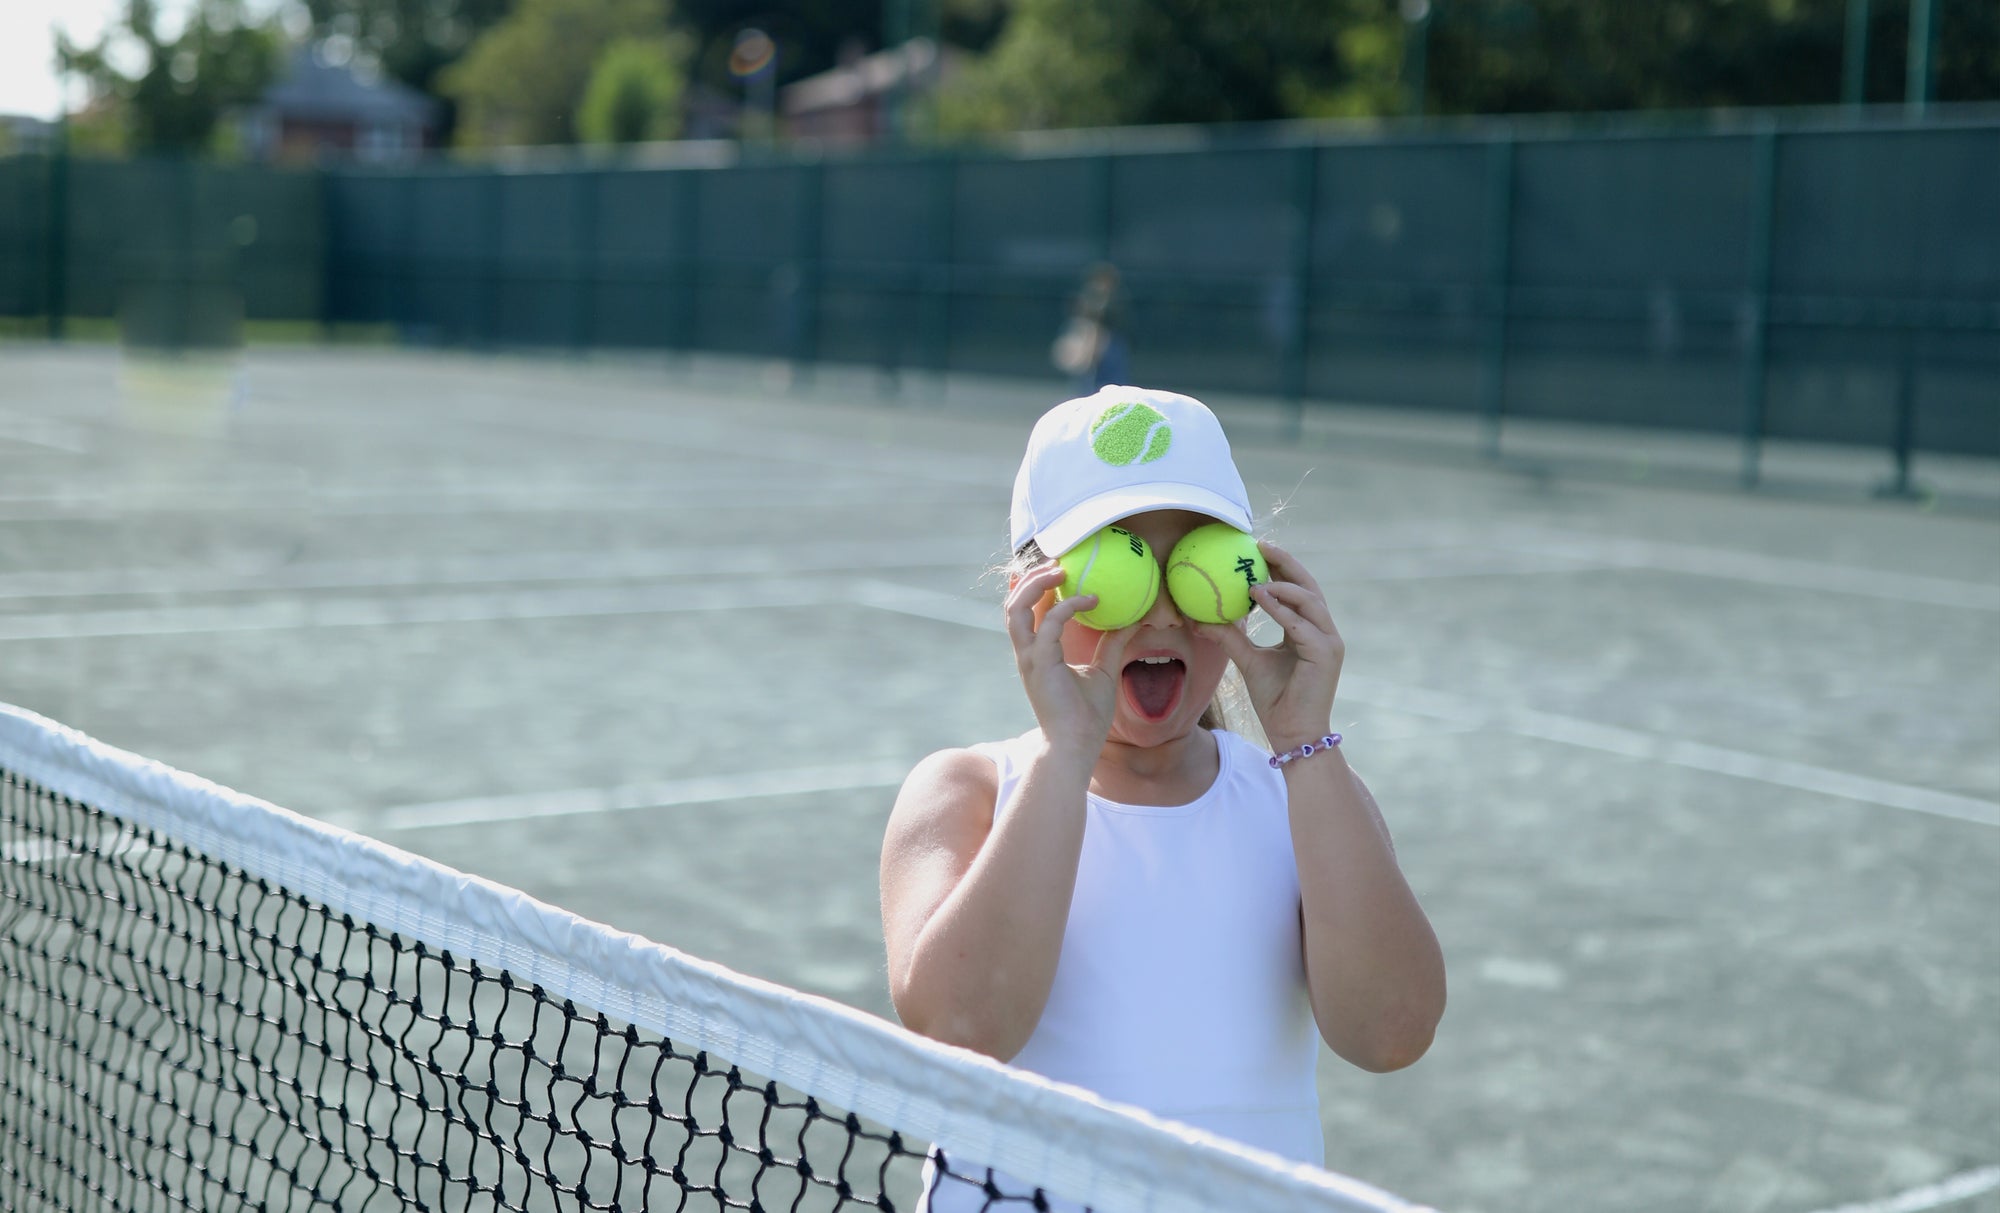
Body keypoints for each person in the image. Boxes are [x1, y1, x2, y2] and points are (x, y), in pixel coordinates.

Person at [879, 386, 1447, 1208]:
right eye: (1119, 568)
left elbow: (1392, 1031)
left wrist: (1304, 739)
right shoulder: (963, 791)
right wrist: (1067, 750)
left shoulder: (1307, 796)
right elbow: (964, 1027)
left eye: (1193, 566)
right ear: (1031, 592)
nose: (1159, 615)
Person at [1052, 263, 1129, 394]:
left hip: (1110, 341)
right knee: (1088, 376)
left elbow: (1120, 321)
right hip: (1090, 338)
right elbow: (1081, 317)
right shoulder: (1087, 296)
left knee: (1112, 377)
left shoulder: (1116, 298)